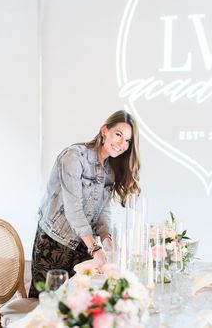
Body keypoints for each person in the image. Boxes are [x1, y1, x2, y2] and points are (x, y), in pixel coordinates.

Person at [28, 110, 140, 297]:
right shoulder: (74, 157)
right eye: (118, 135)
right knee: (49, 304)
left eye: (128, 141)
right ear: (105, 130)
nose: (122, 144)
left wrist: (107, 240)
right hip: (54, 242)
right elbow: (74, 209)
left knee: (82, 302)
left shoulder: (109, 170)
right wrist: (95, 248)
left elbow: (103, 210)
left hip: (83, 243)